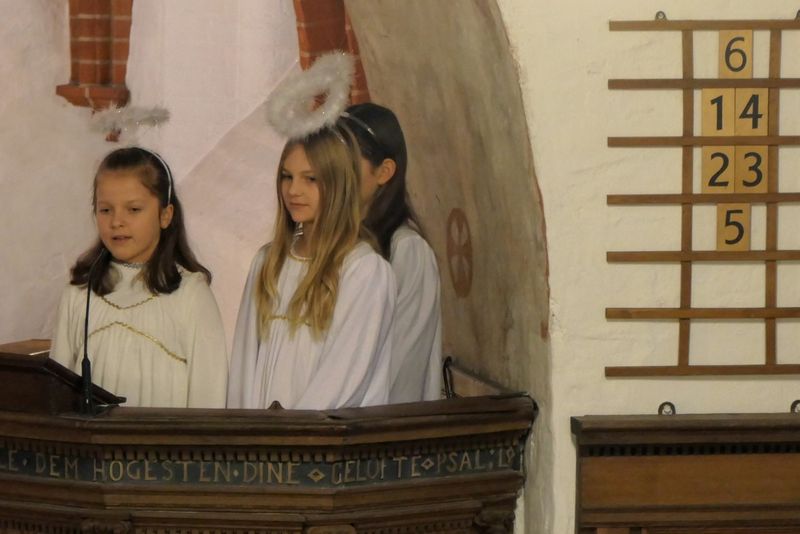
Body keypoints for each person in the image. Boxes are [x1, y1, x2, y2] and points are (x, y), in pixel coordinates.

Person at [226, 122, 396, 410]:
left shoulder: (363, 271)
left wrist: (294, 433)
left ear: (339, 183)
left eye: (311, 179)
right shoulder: (268, 262)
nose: (293, 190)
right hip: (261, 433)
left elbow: (345, 379)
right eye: (287, 177)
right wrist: (246, 430)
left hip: (320, 434)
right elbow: (244, 367)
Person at [50, 147, 228, 408]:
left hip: (163, 436)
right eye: (105, 210)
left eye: (133, 209)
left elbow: (209, 400)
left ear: (165, 215)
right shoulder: (79, 293)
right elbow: (56, 397)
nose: (117, 222)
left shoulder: (191, 294)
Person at [343, 103, 442, 403]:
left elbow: (404, 362)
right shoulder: (335, 242)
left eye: (347, 161)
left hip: (376, 422)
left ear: (384, 171)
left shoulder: (408, 250)